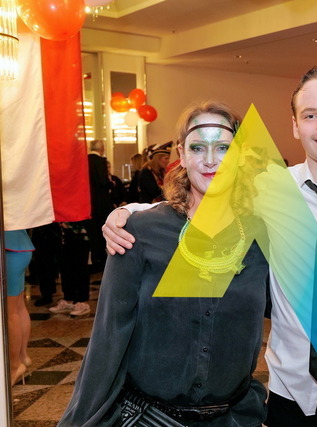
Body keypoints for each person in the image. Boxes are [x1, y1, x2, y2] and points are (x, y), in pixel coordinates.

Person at [103, 63, 317, 427]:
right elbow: (201, 202)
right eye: (310, 115)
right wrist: (128, 211)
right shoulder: (267, 190)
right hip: (291, 397)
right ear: (295, 125)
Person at [58, 101, 269, 425]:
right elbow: (108, 339)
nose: (210, 160)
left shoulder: (261, 237)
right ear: (182, 155)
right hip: (151, 418)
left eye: (223, 148)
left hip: (234, 418)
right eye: (198, 147)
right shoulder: (139, 232)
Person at [5, 229, 35, 386]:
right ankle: (23, 357)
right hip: (20, 248)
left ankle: (15, 366)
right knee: (18, 307)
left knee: (10, 312)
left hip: (9, 250)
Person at [87, 139, 112, 272]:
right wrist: (111, 184)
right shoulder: (100, 161)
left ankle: (95, 260)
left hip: (89, 203)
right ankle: (103, 262)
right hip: (102, 203)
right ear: (102, 148)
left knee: (93, 235)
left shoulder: (85, 160)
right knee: (103, 233)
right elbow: (103, 182)